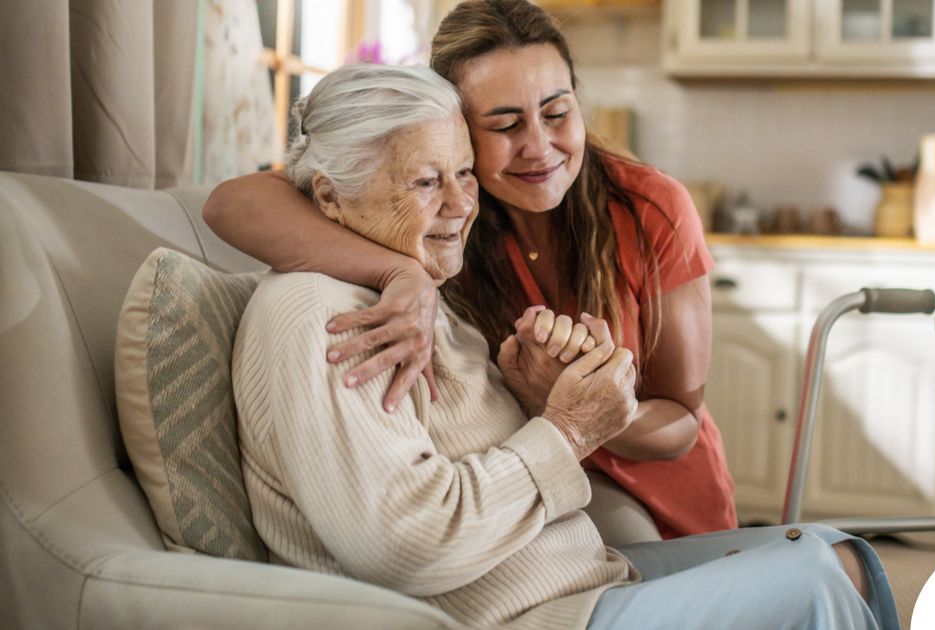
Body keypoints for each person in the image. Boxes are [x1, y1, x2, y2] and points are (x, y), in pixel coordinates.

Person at [233, 62, 898, 629]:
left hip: (576, 581)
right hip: (530, 617)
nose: (462, 205)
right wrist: (569, 428)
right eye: (426, 181)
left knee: (841, 552)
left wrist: (536, 391)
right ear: (329, 195)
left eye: (464, 174)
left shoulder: (409, 290)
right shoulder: (322, 316)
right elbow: (407, 543)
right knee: (815, 575)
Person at [205, 0, 734, 541]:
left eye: (557, 113)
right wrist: (399, 273)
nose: (539, 147)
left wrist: (586, 407)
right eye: (504, 124)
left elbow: (682, 425)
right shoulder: (446, 218)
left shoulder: (649, 207)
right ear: (456, 127)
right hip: (535, 493)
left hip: (666, 499)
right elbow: (231, 204)